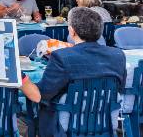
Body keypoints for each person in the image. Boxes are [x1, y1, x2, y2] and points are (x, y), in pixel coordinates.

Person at [20, 7, 125, 136]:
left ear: (72, 31)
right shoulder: (118, 55)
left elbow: (39, 96)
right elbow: (119, 89)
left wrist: (19, 76)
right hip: (105, 124)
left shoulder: (62, 57)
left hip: (65, 128)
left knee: (25, 113)